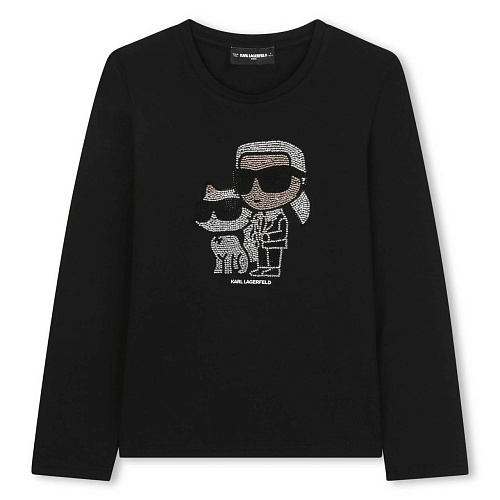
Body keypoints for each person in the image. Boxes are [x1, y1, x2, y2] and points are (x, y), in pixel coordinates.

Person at [233, 140, 310, 277]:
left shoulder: (281, 217)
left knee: (273, 255)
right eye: (245, 179)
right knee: (262, 253)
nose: (256, 189)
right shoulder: (257, 217)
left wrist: (268, 236)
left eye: (274, 179)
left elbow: (281, 232)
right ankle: (263, 267)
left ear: (301, 180)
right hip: (261, 242)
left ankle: (273, 269)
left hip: (274, 243)